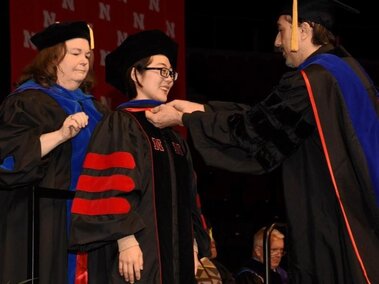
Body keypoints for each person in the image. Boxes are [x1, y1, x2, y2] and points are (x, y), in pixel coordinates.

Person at [146, 1, 379, 283]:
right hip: (360, 214)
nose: (277, 41)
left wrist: (185, 119)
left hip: (333, 223)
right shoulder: (347, 71)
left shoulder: (310, 80)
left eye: (281, 31)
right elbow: (266, 118)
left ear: (303, 30)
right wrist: (199, 110)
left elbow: (254, 135)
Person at [69, 29, 210, 284]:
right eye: (161, 70)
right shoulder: (122, 123)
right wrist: (125, 240)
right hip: (138, 251)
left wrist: (193, 242)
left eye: (171, 73)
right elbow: (109, 187)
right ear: (136, 74)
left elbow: (189, 194)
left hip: (178, 255)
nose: (169, 79)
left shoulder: (173, 134)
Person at [0, 21, 108, 284]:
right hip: (45, 217)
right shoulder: (27, 101)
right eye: (75, 53)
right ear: (53, 57)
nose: (84, 61)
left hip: (91, 220)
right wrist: (60, 135)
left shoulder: (98, 110)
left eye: (87, 55)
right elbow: (8, 161)